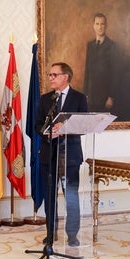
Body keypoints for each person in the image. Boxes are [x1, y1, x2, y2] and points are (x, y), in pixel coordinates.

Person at [35, 62, 88, 247]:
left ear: (65, 77)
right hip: (49, 155)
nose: (50, 78)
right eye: (50, 75)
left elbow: (83, 126)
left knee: (71, 196)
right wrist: (49, 130)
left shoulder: (79, 98)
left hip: (70, 156)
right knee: (50, 197)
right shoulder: (45, 99)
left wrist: (65, 129)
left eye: (54, 75)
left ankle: (72, 235)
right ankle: (51, 234)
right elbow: (37, 125)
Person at [83, 13, 120, 113]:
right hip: (91, 97)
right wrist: (85, 94)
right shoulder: (90, 45)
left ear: (106, 26)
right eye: (97, 24)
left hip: (105, 97)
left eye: (102, 24)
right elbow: (87, 71)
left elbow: (115, 73)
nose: (100, 27)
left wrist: (111, 97)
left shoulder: (112, 46)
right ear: (93, 26)